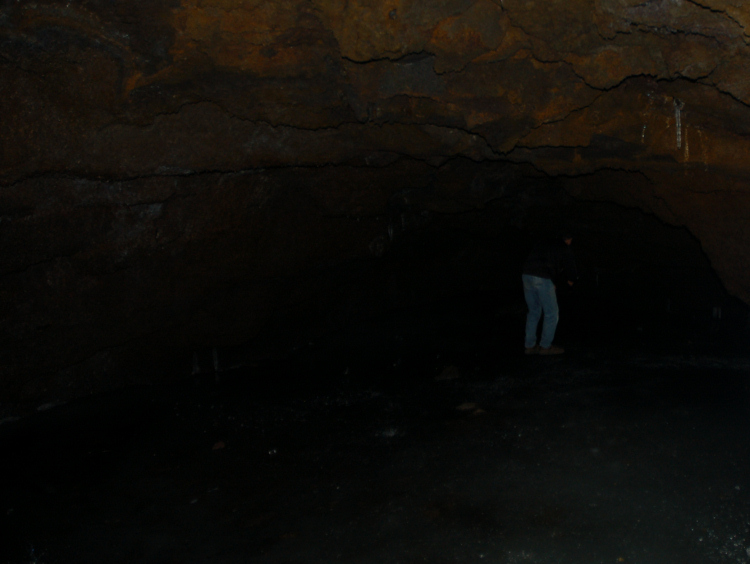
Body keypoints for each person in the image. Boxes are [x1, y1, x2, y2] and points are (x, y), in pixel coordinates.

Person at [522, 232, 577, 355]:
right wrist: (571, 280)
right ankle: (545, 347)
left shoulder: (544, 242)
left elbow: (545, 262)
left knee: (534, 311)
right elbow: (570, 265)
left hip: (527, 275)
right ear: (568, 240)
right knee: (551, 313)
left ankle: (529, 346)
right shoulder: (563, 246)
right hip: (542, 278)